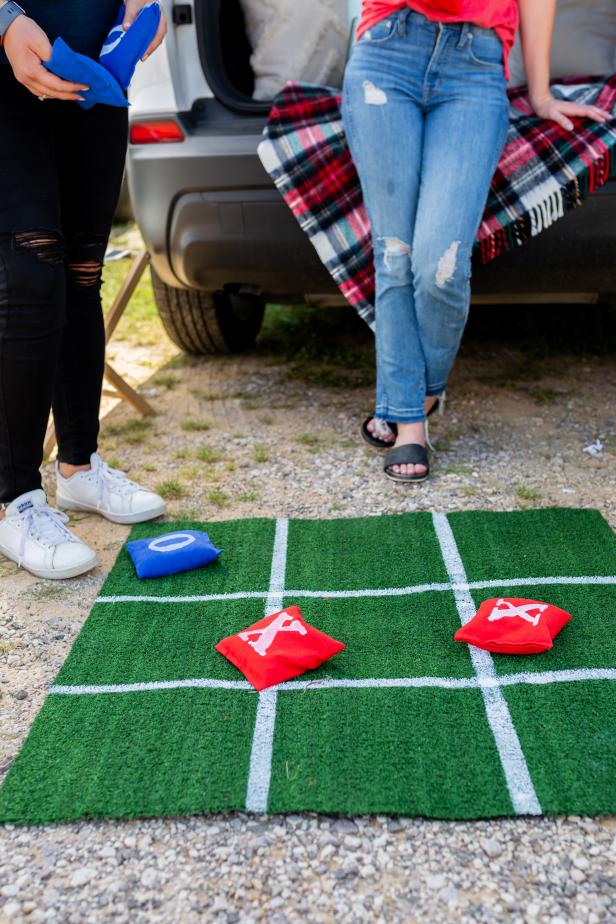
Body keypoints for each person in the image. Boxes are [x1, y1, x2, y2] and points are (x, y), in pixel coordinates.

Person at [342, 0, 609, 483]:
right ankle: (410, 426)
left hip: (476, 65)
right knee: (395, 255)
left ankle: (415, 398)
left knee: (440, 264)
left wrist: (542, 93)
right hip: (387, 51)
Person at [0, 0, 168, 579]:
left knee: (82, 273)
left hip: (97, 62)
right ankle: (15, 498)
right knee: (30, 276)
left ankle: (78, 469)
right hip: (8, 56)